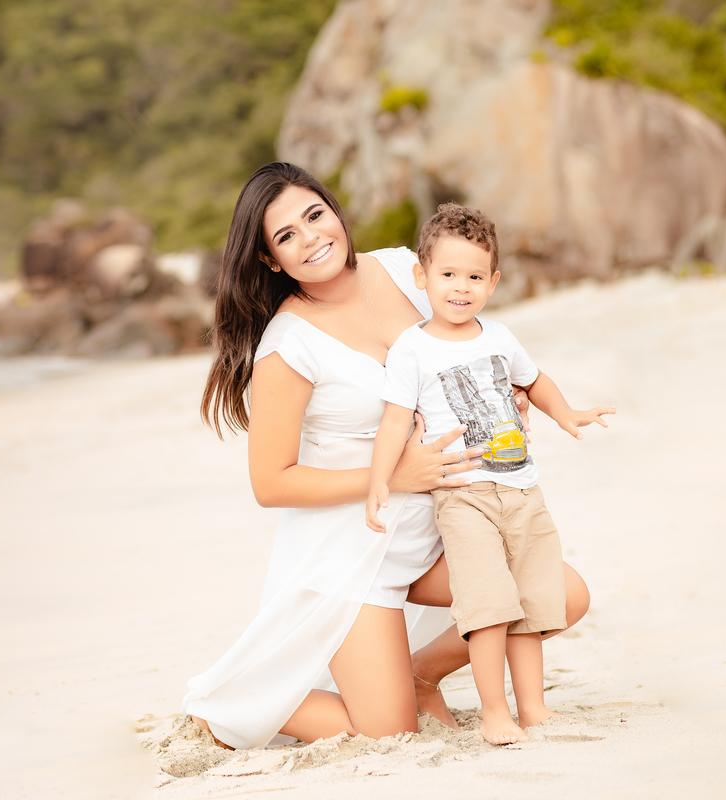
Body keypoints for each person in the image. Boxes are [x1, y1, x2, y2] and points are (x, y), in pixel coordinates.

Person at [182, 162, 590, 750]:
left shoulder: (405, 270)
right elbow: (271, 484)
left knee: (562, 595)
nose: (311, 237)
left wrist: (513, 394)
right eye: (286, 235)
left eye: (314, 215)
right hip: (351, 554)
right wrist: (396, 476)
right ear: (271, 259)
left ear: (335, 211)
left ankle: (424, 674)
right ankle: (229, 702)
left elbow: (465, 349)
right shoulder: (288, 345)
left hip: (439, 525)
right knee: (389, 732)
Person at [366, 204, 615, 745]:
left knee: (532, 603)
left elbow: (536, 379)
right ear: (421, 276)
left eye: (475, 277)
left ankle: (534, 709)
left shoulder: (499, 336)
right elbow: (393, 421)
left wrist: (566, 412)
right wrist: (379, 480)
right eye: (448, 275)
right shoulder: (412, 347)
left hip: (524, 488)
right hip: (465, 496)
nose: (461, 288)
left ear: (494, 282)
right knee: (488, 607)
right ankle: (495, 713)